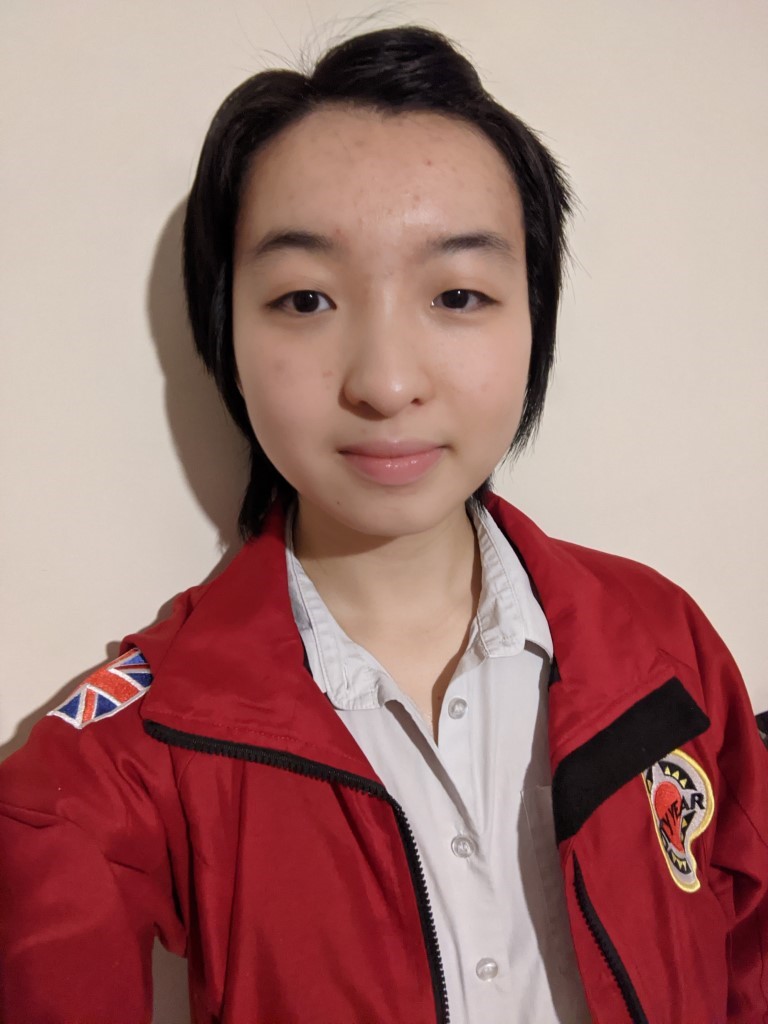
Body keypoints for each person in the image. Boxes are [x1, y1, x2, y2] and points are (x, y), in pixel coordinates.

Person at [0, 22, 766, 1024]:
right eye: (306, 297)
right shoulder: (129, 749)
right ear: (224, 332)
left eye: (458, 292)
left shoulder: (662, 640)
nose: (387, 381)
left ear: (535, 318)